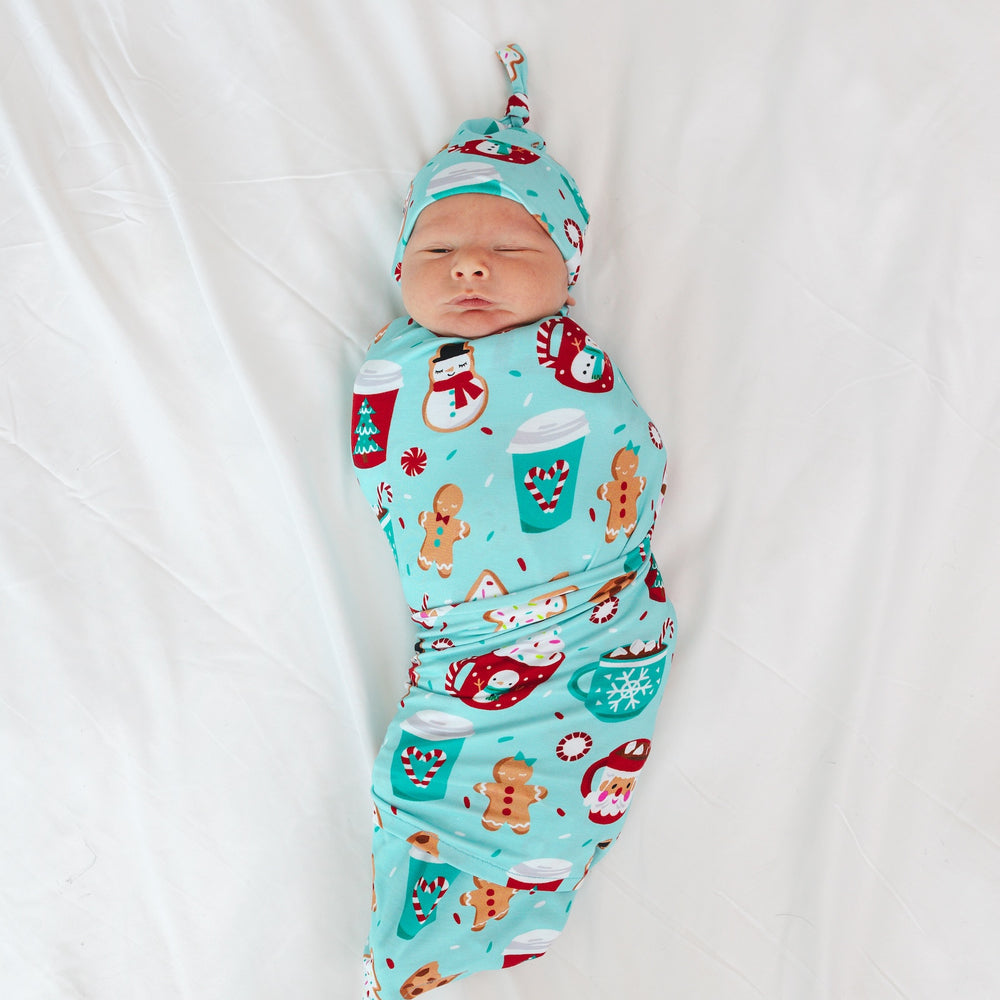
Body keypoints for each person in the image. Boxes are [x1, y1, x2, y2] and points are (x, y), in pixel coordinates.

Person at [352, 43, 676, 998]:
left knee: (525, 790)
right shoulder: (396, 369)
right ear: (402, 267)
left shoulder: (572, 369)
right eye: (439, 249)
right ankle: (423, 942)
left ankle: (480, 921)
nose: (473, 268)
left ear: (567, 276)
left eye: (514, 248)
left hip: (588, 624)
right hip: (459, 641)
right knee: (434, 780)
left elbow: (636, 457)